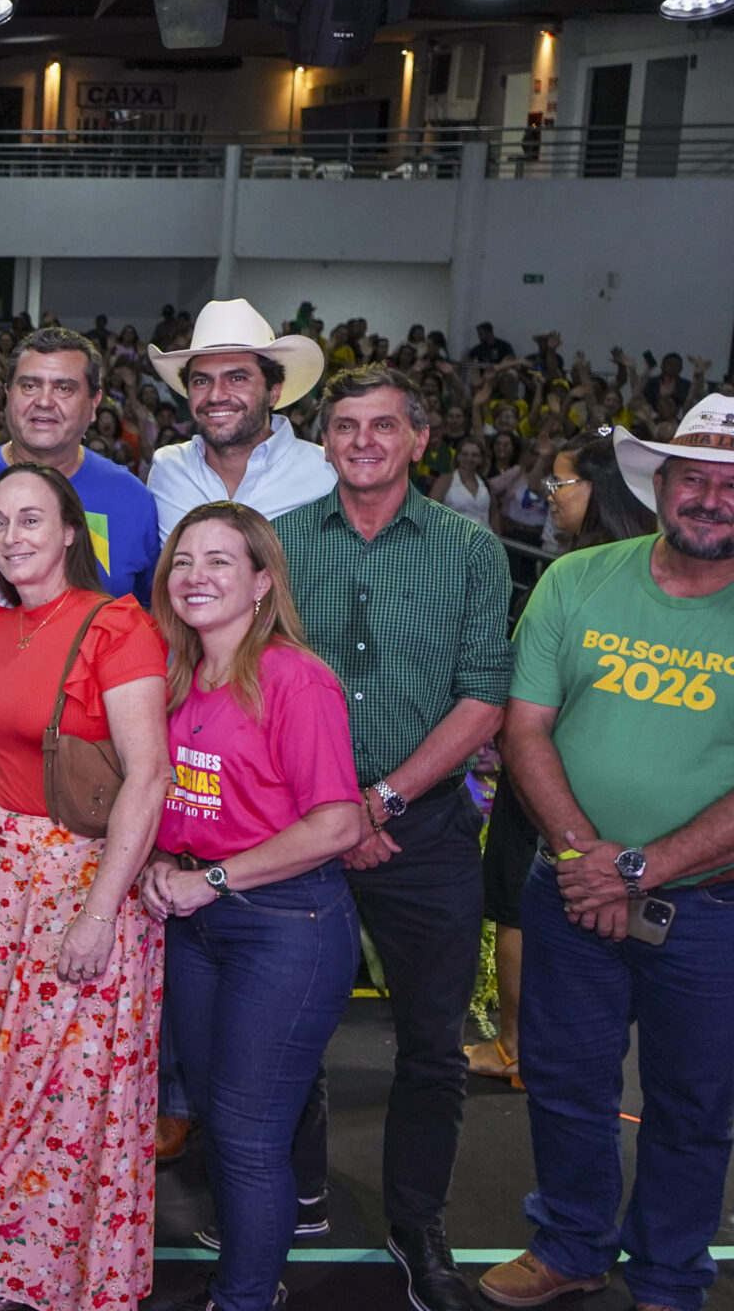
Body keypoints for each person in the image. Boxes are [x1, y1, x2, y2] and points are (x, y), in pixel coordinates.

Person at [478, 395, 734, 1311]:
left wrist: (640, 869)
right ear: (659, 485)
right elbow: (526, 730)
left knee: (693, 1109)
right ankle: (571, 1244)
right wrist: (588, 859)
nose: (713, 498)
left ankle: (669, 1274)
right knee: (563, 1084)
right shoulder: (576, 581)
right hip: (570, 892)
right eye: (695, 478)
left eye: (732, 484)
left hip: (710, 909)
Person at [273, 364, 513, 1311]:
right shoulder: (281, 546)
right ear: (323, 441)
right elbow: (256, 689)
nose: (362, 440)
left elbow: (485, 696)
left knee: (429, 1047)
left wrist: (381, 803)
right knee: (288, 1037)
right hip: (299, 828)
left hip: (430, 830)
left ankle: (418, 1225)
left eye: (383, 425)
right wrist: (336, 807)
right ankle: (286, 1201)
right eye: (344, 425)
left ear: (420, 439)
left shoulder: (469, 551)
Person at [0, 460, 171, 1311]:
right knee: (0, 1080)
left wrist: (100, 912)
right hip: (6, 875)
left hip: (84, 879)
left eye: (31, 520)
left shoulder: (116, 626)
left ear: (70, 533)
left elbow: (150, 776)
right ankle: (1, 1265)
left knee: (62, 1093)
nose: (12, 537)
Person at [135, 504, 366, 1311]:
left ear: (263, 581)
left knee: (248, 1135)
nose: (196, 576)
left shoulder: (294, 677)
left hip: (284, 926)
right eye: (184, 560)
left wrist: (217, 879)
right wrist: (168, 861)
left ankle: (245, 1297)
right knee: (218, 1127)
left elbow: (340, 823)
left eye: (220, 562)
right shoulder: (173, 672)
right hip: (200, 924)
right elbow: (173, 794)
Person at [466, 425, 652, 1086]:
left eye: (560, 483)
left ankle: (516, 1046)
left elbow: (528, 704)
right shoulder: (627, 572)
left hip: (546, 782)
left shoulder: (584, 579)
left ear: (599, 490)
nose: (549, 497)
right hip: (607, 796)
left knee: (517, 905)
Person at [0, 327, 162, 601]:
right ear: (7, 395)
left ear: (94, 404)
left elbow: (151, 612)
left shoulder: (131, 498)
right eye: (29, 386)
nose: (44, 401)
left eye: (64, 388)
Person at [144, 299, 336, 528]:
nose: (216, 396)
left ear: (273, 391)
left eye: (237, 378)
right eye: (201, 380)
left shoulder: (326, 473)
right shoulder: (168, 470)